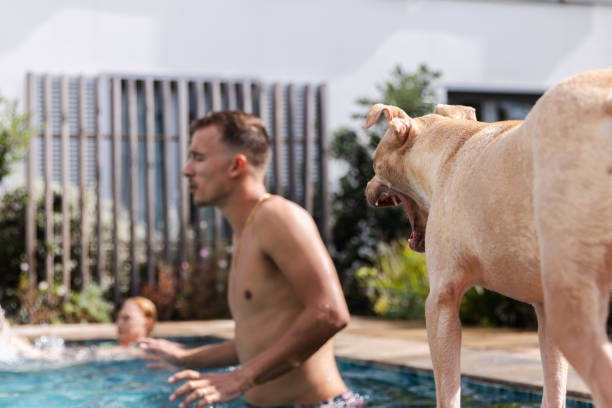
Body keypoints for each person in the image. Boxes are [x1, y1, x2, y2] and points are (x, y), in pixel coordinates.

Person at [139, 111, 364, 407]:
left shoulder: (278, 217)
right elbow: (256, 342)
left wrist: (240, 378)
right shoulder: (245, 232)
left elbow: (331, 313)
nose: (186, 170)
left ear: (236, 165)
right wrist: (185, 357)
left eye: (198, 157)